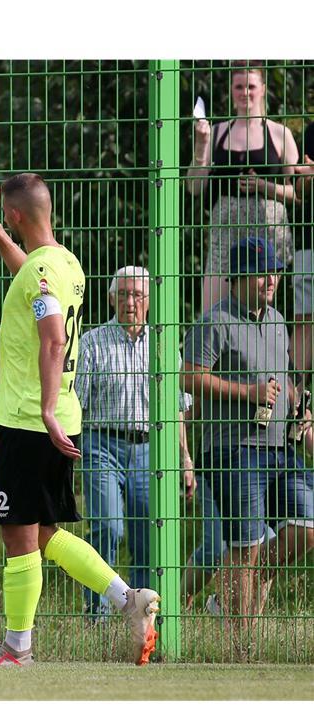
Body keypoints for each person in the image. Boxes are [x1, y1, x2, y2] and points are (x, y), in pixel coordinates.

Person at [0, 174, 161, 667]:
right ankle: (127, 599)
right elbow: (31, 276)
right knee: (43, 533)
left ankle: (17, 650)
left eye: (5, 219)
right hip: (56, 419)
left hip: (31, 420)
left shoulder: (42, 272)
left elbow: (53, 338)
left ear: (16, 215)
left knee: (18, 532)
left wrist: (47, 409)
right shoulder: (64, 263)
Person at [182, 236, 314, 630]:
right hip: (232, 449)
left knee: (307, 527)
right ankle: (240, 646)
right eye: (261, 273)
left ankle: (229, 594)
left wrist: (298, 406)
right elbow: (189, 376)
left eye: (274, 271)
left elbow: (283, 378)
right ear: (238, 278)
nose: (270, 280)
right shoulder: (214, 321)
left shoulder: (277, 322)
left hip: (279, 450)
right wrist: (249, 393)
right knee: (245, 548)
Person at [75, 266, 196, 618]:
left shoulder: (163, 346)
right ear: (112, 298)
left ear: (149, 301)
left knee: (148, 535)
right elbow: (77, 406)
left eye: (138, 295)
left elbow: (176, 409)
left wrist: (185, 458)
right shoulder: (92, 342)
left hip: (149, 448)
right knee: (107, 526)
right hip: (103, 444)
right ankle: (97, 615)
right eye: (124, 294)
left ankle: (142, 621)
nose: (131, 302)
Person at [186, 61, 300, 312]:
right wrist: (202, 145)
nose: (244, 92)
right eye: (239, 86)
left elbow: (298, 194)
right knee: (211, 313)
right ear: (231, 90)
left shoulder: (281, 134)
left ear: (263, 88)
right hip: (224, 234)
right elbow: (194, 187)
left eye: (250, 86)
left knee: (261, 315)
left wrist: (263, 186)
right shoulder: (216, 132)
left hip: (268, 235)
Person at [290, 123, 314, 388]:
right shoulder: (311, 132)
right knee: (304, 322)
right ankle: (294, 405)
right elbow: (299, 190)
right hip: (309, 244)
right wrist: (307, 176)